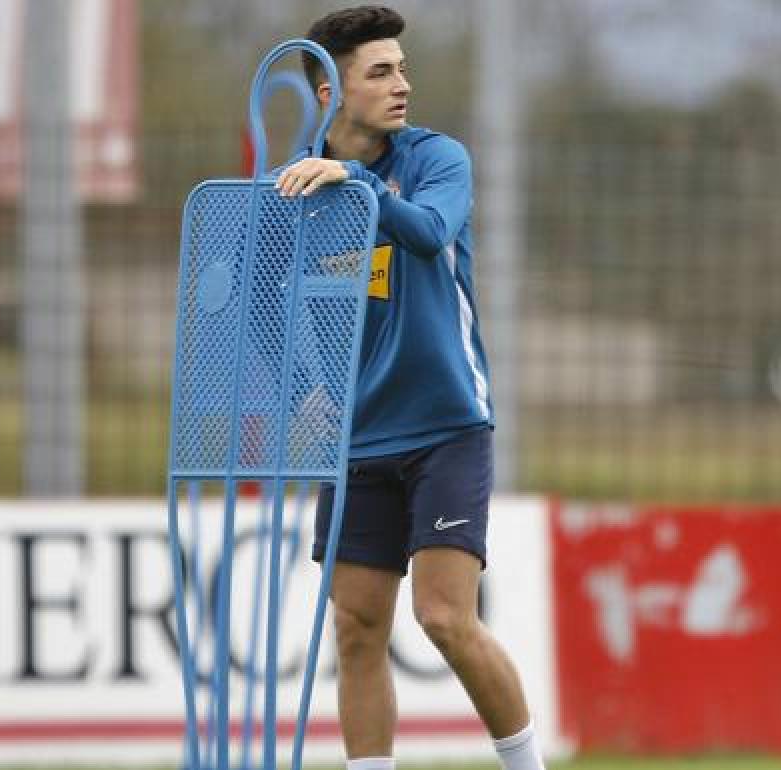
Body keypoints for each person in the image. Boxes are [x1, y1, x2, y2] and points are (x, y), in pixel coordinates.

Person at [275, 7, 545, 770]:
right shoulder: (294, 189)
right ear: (329, 91)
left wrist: (354, 180)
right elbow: (262, 305)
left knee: (444, 618)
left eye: (401, 68)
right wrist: (303, 392)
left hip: (446, 426)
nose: (403, 85)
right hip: (354, 442)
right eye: (380, 72)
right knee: (355, 628)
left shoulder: (436, 159)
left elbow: (428, 232)